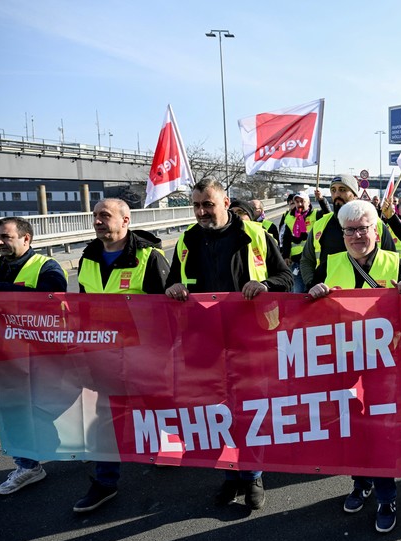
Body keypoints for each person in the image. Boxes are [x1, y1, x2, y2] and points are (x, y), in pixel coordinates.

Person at [165, 177, 292, 510]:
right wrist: (174, 290)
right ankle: (229, 475)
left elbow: (286, 280)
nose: (201, 211)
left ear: (225, 202)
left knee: (248, 412)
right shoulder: (186, 241)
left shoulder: (256, 237)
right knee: (217, 413)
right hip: (205, 343)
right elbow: (170, 286)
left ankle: (253, 477)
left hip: (250, 341)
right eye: (196, 205)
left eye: (207, 204)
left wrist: (263, 284)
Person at [307, 199, 401, 534]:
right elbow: (316, 313)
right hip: (346, 359)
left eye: (363, 228)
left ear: (376, 230)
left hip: (386, 362)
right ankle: (361, 481)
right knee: (352, 424)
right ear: (342, 234)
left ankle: (386, 496)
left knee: (380, 428)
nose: (356, 235)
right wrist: (314, 293)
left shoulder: (396, 264)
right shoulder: (332, 263)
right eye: (350, 230)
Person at [74, 198, 170, 512]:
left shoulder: (149, 257)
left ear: (125, 220)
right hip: (103, 356)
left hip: (144, 356)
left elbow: (169, 311)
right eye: (95, 216)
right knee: (104, 418)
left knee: (155, 407)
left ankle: (165, 445)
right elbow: (84, 306)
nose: (98, 221)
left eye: (105, 215)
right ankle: (105, 482)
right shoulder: (87, 257)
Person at [0, 216, 68, 495]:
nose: (0, 242)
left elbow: (52, 300)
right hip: (6, 357)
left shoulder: (46, 267)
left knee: (52, 406)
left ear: (26, 239)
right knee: (11, 410)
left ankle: (83, 445)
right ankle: (27, 465)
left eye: (6, 236)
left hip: (41, 356)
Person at [299, 174, 396, 289]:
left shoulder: (376, 224)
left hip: (371, 297)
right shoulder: (320, 225)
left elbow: (391, 259)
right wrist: (312, 285)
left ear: (355, 195)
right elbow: (307, 260)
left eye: (342, 190)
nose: (337, 194)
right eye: (333, 190)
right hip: (330, 298)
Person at [280, 190, 330, 293]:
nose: (299, 204)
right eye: (297, 202)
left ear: (308, 203)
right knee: (297, 291)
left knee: (313, 291)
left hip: (312, 261)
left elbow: (328, 214)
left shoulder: (316, 215)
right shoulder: (290, 217)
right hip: (296, 261)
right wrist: (285, 255)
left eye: (302, 201)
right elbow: (286, 238)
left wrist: (321, 199)